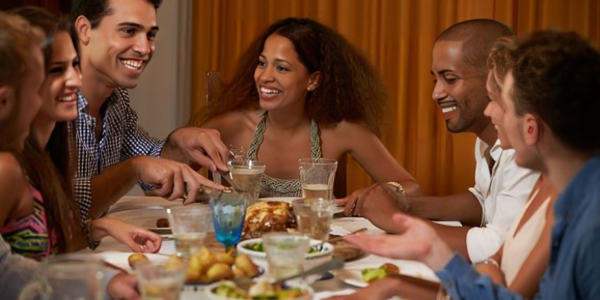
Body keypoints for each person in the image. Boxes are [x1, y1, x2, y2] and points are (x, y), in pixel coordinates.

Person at [337, 30, 600, 300]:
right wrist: (430, 249)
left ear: (530, 128)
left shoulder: (589, 222)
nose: (489, 111)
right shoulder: (565, 191)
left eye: (501, 104)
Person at [337, 19, 539, 263]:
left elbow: (499, 246)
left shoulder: (527, 151)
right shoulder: (487, 140)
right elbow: (485, 200)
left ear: (494, 79)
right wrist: (405, 205)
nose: (436, 93)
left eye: (450, 79)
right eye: (436, 80)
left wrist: (396, 220)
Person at [193, 17, 419, 198]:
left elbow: (411, 188)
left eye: (281, 68)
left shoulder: (340, 130)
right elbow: (168, 175)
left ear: (313, 81)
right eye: (262, 63)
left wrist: (374, 193)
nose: (265, 76)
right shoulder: (230, 126)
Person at [0, 6, 162, 258]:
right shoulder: (7, 167)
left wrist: (98, 227)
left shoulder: (45, 153)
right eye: (55, 70)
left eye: (74, 64)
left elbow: (45, 245)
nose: (75, 79)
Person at [70, 0, 229, 222]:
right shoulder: (47, 100)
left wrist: (178, 142)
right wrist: (134, 169)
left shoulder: (117, 100)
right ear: (85, 30)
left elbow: (149, 167)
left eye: (150, 35)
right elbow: (58, 210)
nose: (144, 48)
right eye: (128, 31)